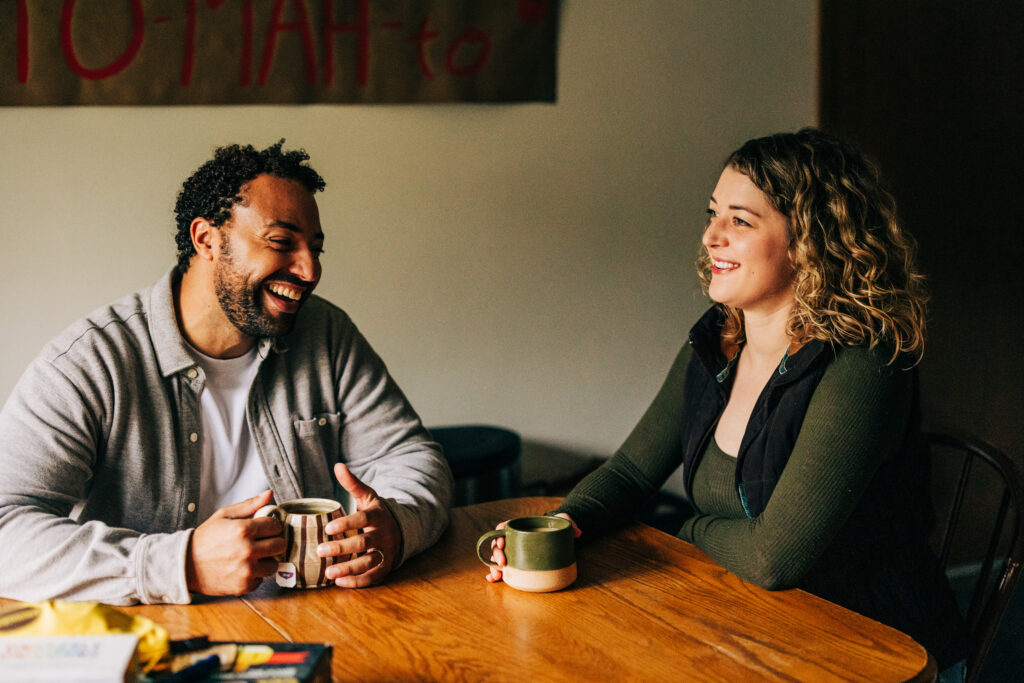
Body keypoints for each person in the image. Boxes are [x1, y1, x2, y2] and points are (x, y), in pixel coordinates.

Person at [485, 128, 967, 675]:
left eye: (740, 220)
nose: (711, 236)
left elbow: (770, 557)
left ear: (812, 240)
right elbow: (628, 474)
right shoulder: (718, 343)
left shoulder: (863, 366)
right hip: (754, 626)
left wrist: (680, 533)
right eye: (713, 214)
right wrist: (565, 524)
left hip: (875, 651)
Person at [0, 140, 452, 605]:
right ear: (206, 239)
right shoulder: (90, 362)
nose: (310, 269)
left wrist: (396, 526)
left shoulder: (326, 333)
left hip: (315, 624)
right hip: (156, 645)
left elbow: (411, 456)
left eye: (315, 249)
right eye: (281, 243)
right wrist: (179, 563)